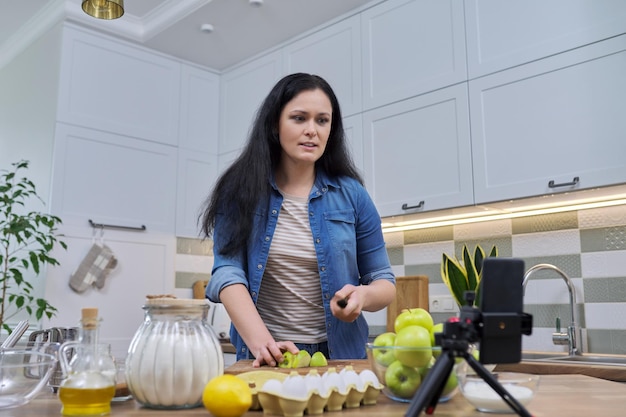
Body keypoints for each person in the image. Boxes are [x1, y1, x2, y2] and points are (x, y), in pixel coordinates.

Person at [200, 73, 395, 367]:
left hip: (340, 356)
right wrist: (262, 343)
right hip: (267, 354)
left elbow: (385, 282)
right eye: (299, 118)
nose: (312, 131)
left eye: (322, 120)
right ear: (275, 125)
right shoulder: (240, 190)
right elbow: (227, 273)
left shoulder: (353, 195)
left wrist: (363, 296)